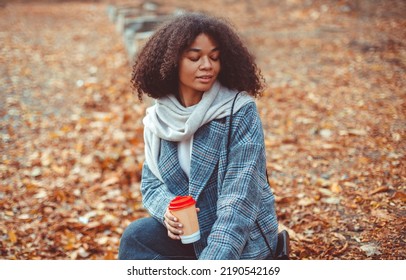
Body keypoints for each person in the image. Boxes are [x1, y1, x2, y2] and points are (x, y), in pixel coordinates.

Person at [118, 12, 279, 260]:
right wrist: (167, 212)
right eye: (195, 57)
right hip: (189, 235)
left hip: (239, 240)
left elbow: (239, 203)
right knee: (136, 236)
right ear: (172, 61)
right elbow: (151, 184)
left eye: (215, 57)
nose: (208, 66)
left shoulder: (238, 111)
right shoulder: (160, 117)